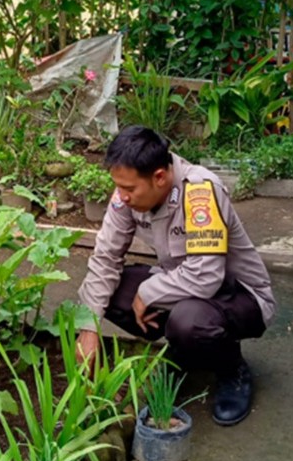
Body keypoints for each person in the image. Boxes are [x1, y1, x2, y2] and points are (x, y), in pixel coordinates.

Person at [76, 126, 276, 426]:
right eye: (119, 187)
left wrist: (148, 293)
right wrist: (88, 327)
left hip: (239, 296)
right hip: (181, 286)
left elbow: (206, 276)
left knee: (188, 322)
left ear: (159, 177)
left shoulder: (200, 191)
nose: (122, 197)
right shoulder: (127, 195)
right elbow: (105, 258)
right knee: (112, 294)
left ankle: (231, 368)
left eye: (129, 189)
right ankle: (185, 353)